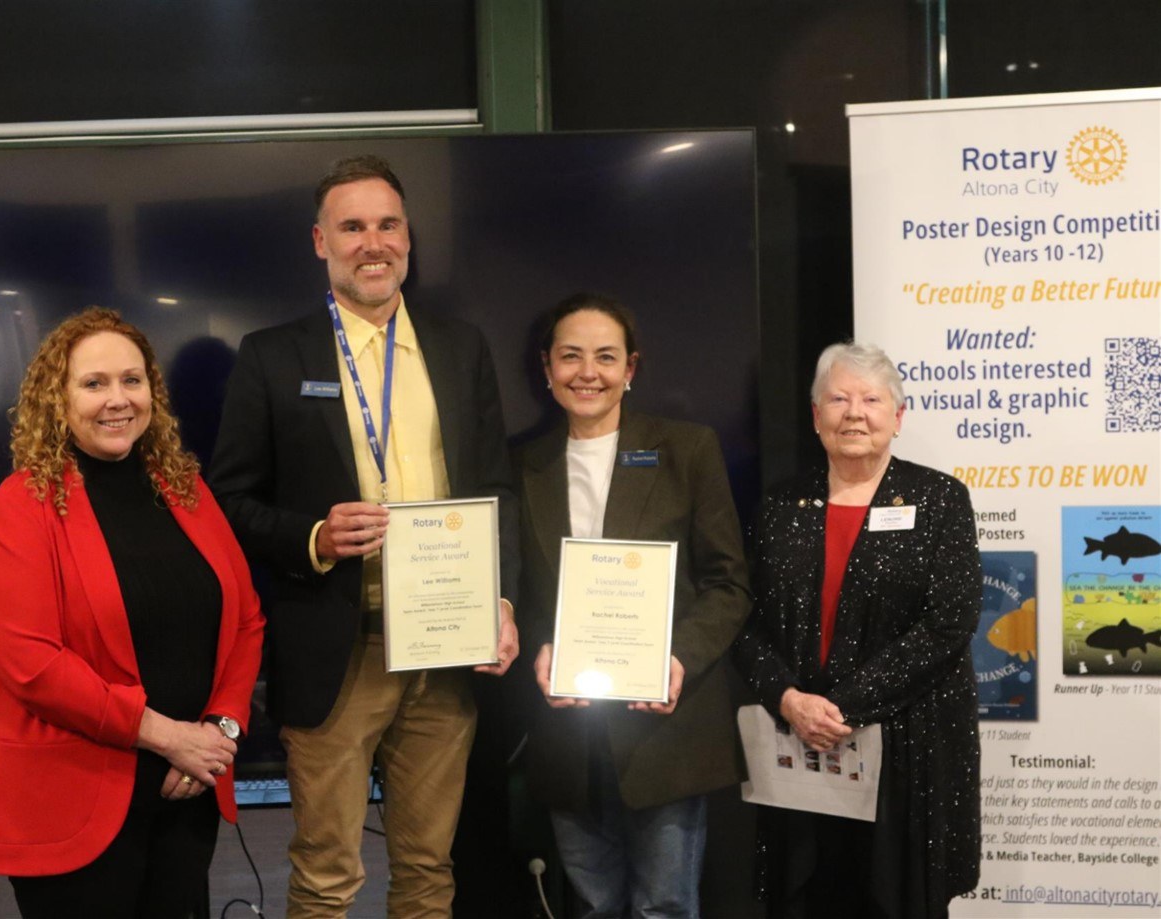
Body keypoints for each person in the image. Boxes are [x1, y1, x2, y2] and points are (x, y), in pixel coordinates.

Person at [208, 154, 520, 916]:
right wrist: (313, 534)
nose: (371, 242)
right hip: (334, 651)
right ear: (321, 241)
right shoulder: (272, 356)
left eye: (386, 225)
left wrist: (500, 601)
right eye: (352, 227)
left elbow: (496, 488)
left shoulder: (460, 346)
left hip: (446, 647)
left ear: (408, 238)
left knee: (428, 870)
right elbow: (227, 500)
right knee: (326, 875)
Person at [0, 307, 265, 917]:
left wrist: (220, 730)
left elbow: (245, 621)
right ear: (58, 398)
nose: (117, 400)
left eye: (132, 380)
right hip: (74, 803)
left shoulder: (185, 489)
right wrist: (169, 736)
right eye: (94, 383)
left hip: (185, 793)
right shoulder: (19, 508)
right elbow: (30, 664)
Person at [519, 293, 751, 917]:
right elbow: (521, 589)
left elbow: (730, 584)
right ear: (547, 368)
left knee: (665, 906)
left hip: (664, 725)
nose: (587, 372)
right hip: (569, 730)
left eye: (605, 356)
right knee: (592, 906)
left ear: (631, 368)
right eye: (570, 356)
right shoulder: (523, 465)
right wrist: (542, 648)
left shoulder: (687, 450)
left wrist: (678, 659)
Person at [732, 340, 981, 919]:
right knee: (805, 895)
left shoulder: (940, 499)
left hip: (904, 747)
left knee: (893, 899)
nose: (854, 413)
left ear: (897, 416)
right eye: (838, 398)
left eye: (871, 399)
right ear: (816, 415)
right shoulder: (780, 505)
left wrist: (840, 707)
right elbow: (742, 618)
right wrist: (791, 701)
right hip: (799, 743)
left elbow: (950, 623)